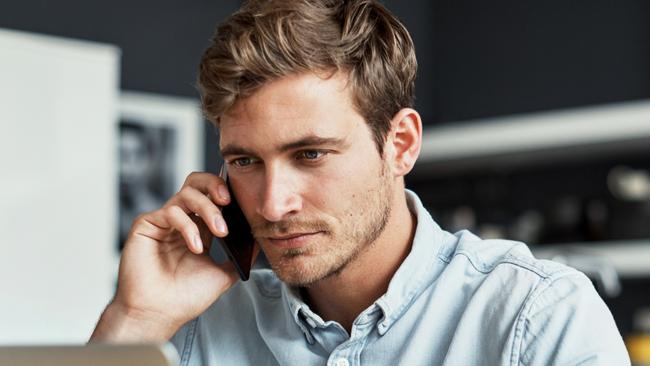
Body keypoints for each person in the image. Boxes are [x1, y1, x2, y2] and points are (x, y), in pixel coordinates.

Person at [90, 0, 630, 364]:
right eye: (246, 161)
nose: (274, 205)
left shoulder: (536, 317)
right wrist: (135, 320)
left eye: (310, 154)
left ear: (400, 145)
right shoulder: (194, 325)